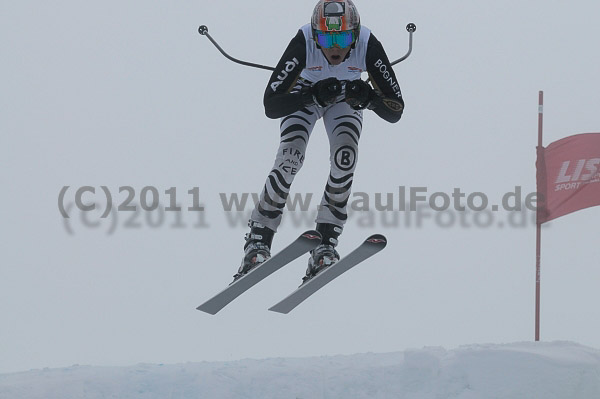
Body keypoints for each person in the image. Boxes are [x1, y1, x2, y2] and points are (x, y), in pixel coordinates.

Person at [235, 0, 404, 282]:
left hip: (345, 98)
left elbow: (395, 110)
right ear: (316, 36)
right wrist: (309, 96)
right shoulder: (303, 42)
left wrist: (370, 98)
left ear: (355, 33)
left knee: (345, 157)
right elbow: (271, 105)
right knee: (290, 157)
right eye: (327, 38)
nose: (335, 47)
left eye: (343, 37)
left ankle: (326, 243)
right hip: (304, 94)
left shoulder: (367, 43)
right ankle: (258, 239)